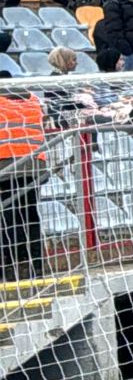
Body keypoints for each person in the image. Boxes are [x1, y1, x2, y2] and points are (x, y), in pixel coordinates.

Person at [0, 81, 49, 281]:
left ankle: (9, 266)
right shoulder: (33, 100)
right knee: (30, 215)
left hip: (6, 165)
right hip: (35, 165)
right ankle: (36, 265)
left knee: (7, 218)